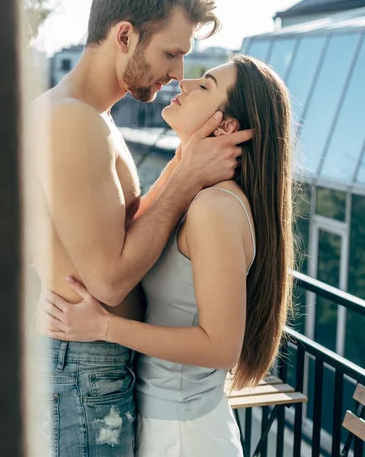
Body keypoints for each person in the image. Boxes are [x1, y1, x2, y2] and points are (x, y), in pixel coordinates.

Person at [30, 0, 252, 456]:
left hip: (92, 366)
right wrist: (186, 176)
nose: (177, 74)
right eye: (171, 53)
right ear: (125, 35)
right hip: (86, 369)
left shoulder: (89, 116)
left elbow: (122, 228)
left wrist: (183, 167)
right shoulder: (72, 120)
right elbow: (108, 279)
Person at [42, 54, 295, 456]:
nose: (185, 83)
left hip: (182, 435)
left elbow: (220, 347)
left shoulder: (215, 207)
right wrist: (184, 163)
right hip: (168, 424)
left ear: (225, 126)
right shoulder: (201, 195)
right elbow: (137, 227)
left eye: (206, 85)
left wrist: (104, 327)